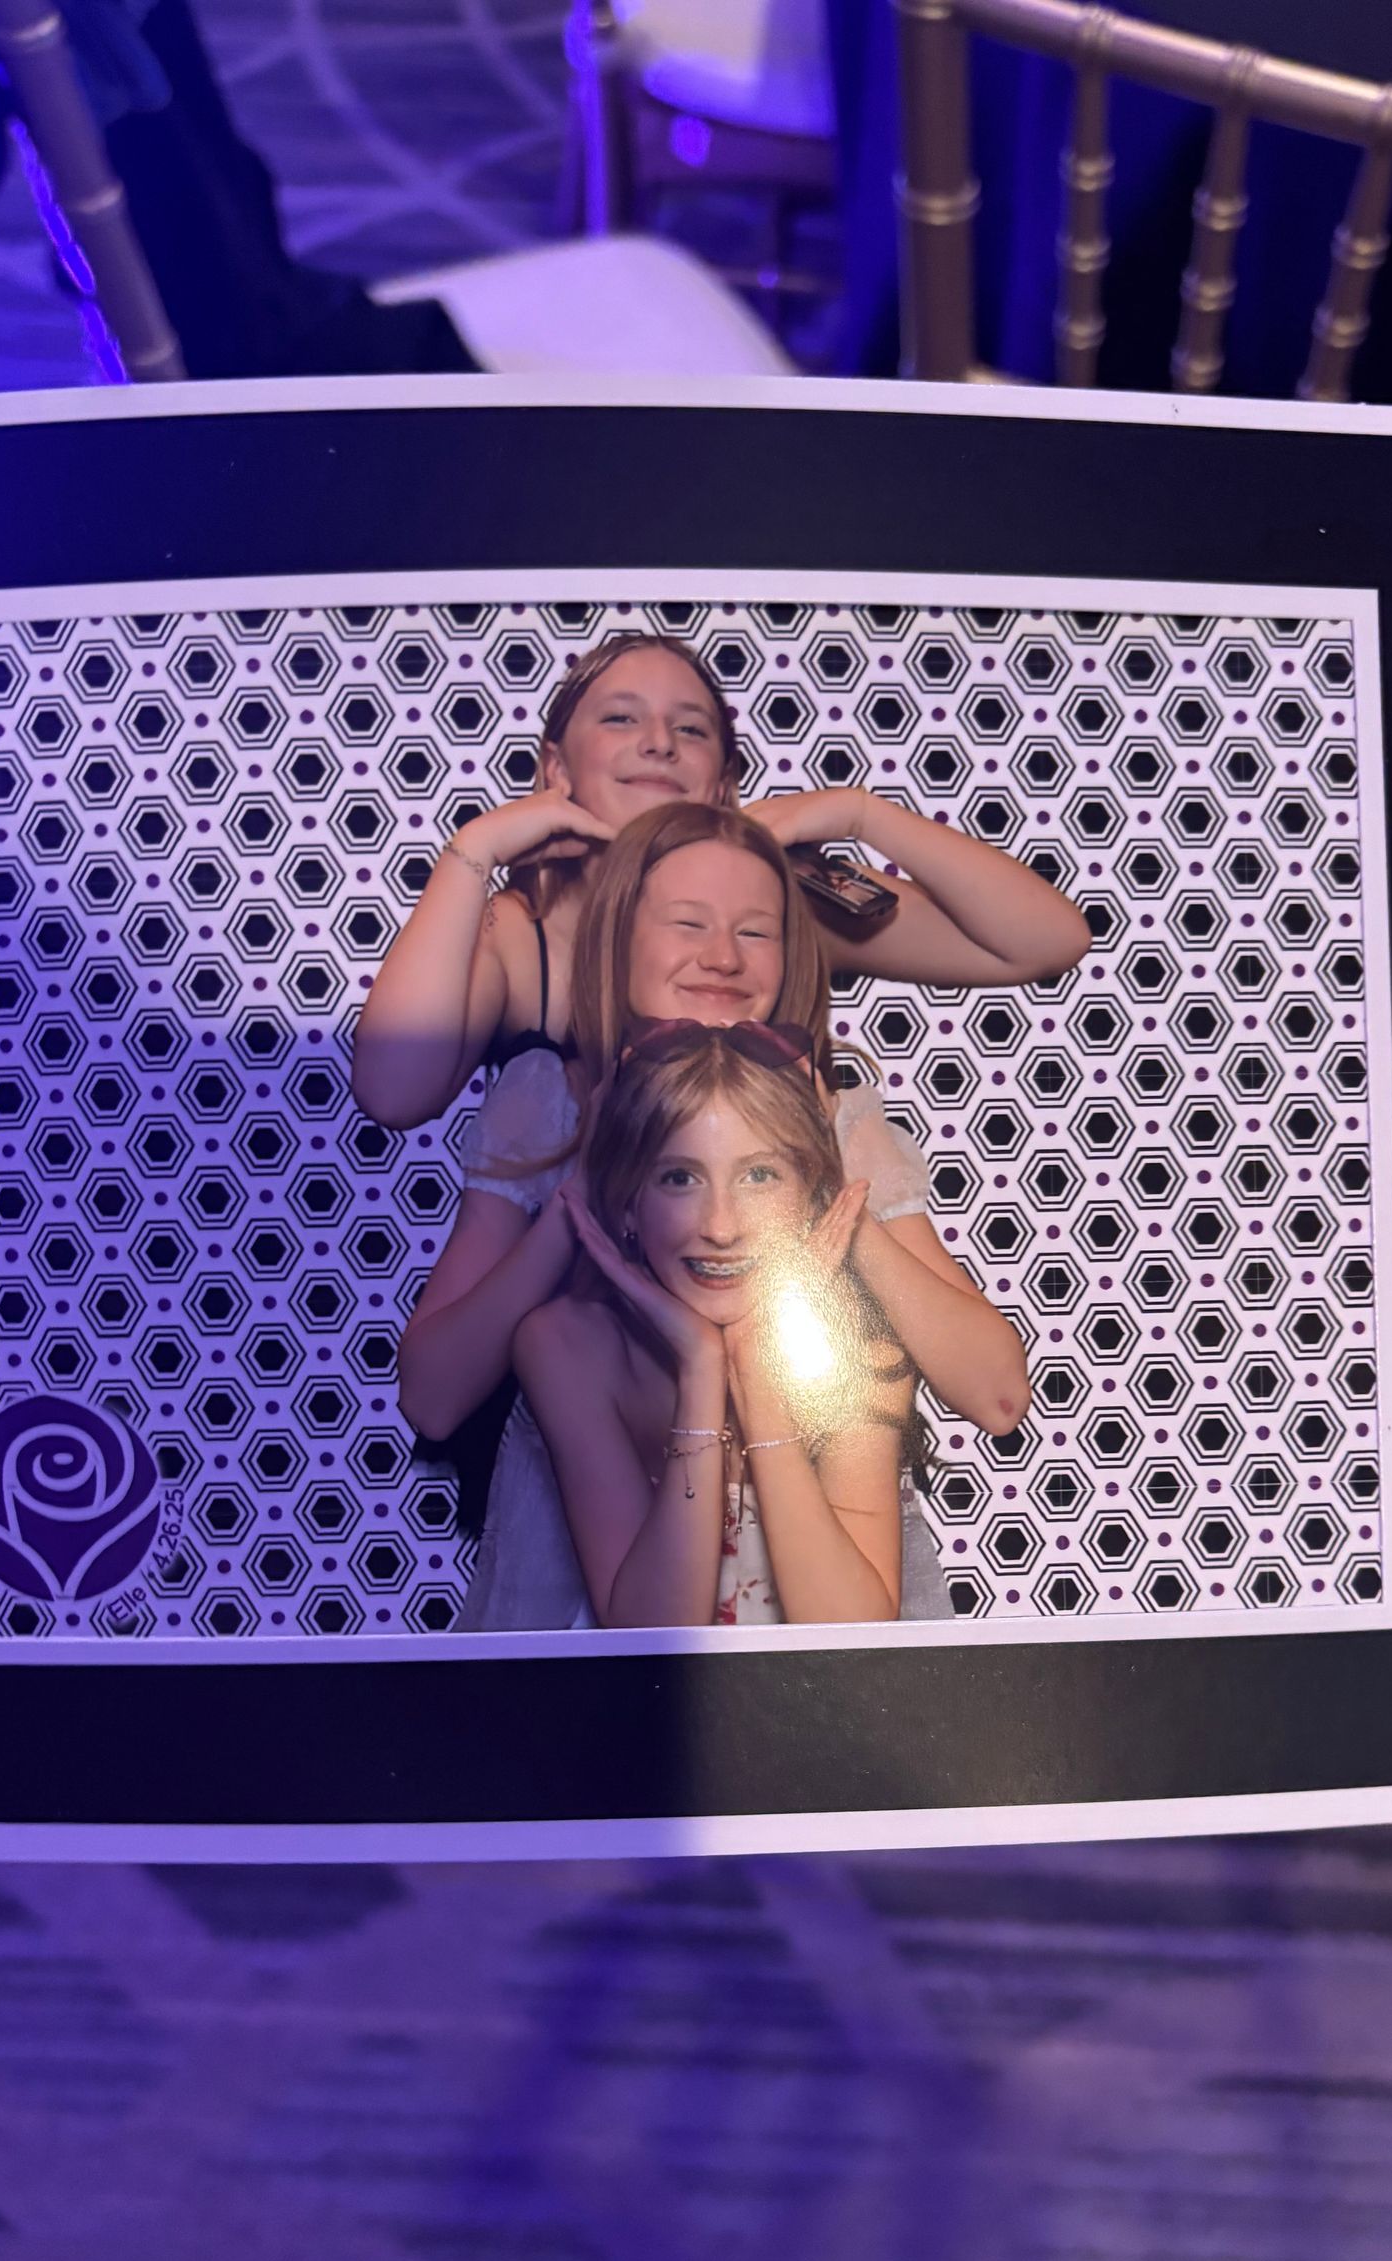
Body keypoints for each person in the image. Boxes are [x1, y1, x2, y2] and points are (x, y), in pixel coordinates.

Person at [395, 802, 1022, 1628]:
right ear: (615, 941)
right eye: (687, 924)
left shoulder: (839, 1120)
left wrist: (826, 1196)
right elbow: (435, 1398)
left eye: (756, 932)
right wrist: (588, 1191)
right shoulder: (549, 1105)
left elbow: (997, 1396)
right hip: (594, 1626)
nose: (721, 956)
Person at [349, 627, 1094, 1130]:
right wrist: (471, 852)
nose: (659, 743)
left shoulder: (780, 904)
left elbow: (1044, 942)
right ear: (556, 769)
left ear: (724, 784)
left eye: (692, 729)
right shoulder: (520, 933)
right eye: (619, 719)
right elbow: (392, 1094)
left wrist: (860, 814)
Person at [518, 1023, 941, 1628]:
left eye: (760, 1175)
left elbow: (854, 1639)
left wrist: (754, 1365)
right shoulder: (566, 1346)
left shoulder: (865, 1353)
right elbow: (650, 1638)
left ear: (810, 1196)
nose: (721, 1226)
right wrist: (701, 1366)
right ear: (628, 1203)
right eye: (679, 1178)